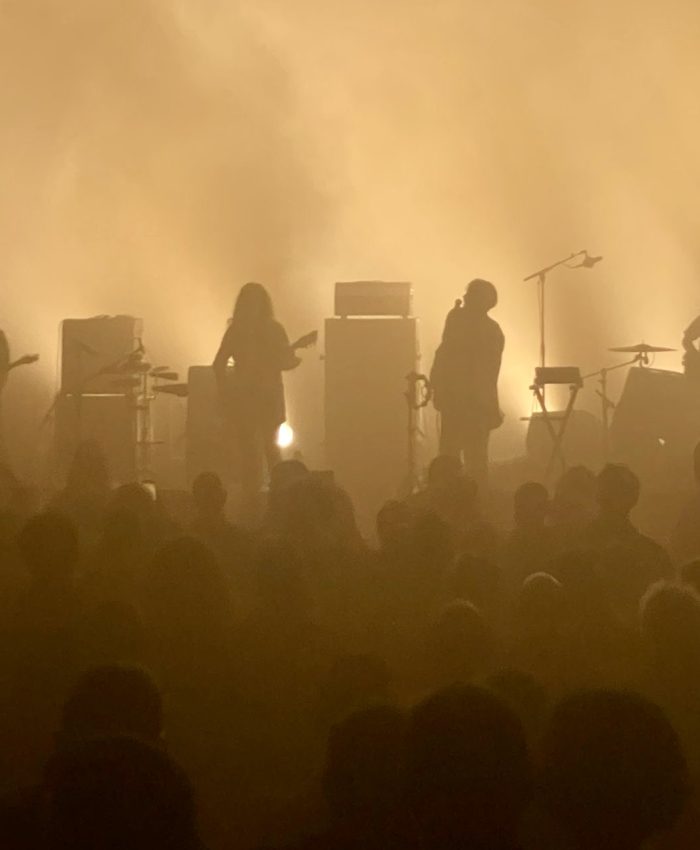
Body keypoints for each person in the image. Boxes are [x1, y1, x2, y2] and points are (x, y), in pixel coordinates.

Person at [213, 282, 302, 517]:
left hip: (262, 397)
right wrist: (227, 390)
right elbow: (218, 364)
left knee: (265, 448)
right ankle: (263, 502)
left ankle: (271, 501)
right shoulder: (256, 330)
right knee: (254, 450)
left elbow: (285, 362)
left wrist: (291, 360)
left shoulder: (258, 330)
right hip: (255, 397)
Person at [430, 279, 504, 487]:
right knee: (474, 460)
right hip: (472, 404)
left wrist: (437, 385)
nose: (464, 297)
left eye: (468, 294)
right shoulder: (492, 330)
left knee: (455, 457)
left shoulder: (464, 323)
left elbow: (445, 354)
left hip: (464, 403)